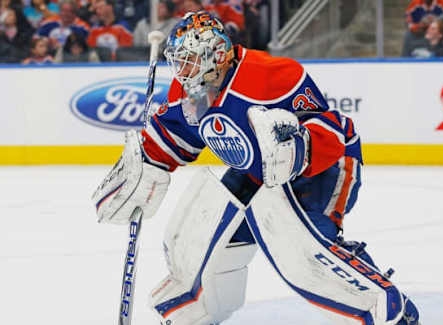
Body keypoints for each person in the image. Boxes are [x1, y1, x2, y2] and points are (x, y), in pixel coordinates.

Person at [92, 11, 420, 325]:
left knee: (301, 248)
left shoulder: (271, 76)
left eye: (188, 60)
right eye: (178, 61)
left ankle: (383, 306)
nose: (181, 70)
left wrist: (298, 149)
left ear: (217, 55)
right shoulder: (190, 89)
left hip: (322, 168)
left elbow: (332, 128)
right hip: (255, 172)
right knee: (198, 233)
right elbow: (173, 136)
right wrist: (142, 168)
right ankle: (194, 308)